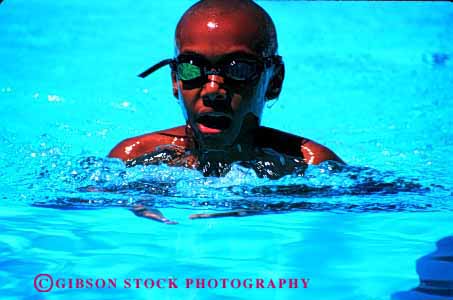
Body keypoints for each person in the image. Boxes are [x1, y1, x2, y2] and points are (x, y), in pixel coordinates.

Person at [108, 0, 344, 222]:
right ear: (175, 80)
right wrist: (132, 200)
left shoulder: (311, 164)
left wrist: (269, 204)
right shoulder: (133, 158)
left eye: (239, 68)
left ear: (275, 81)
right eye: (191, 68)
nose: (212, 90)